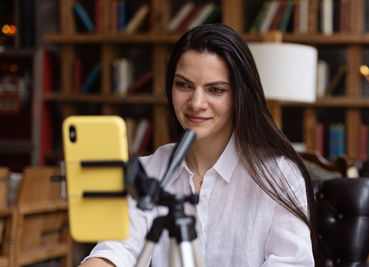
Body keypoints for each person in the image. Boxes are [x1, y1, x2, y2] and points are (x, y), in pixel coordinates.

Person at [81, 23, 317, 267]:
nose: (196, 103)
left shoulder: (279, 175)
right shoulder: (147, 172)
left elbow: (291, 263)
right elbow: (116, 249)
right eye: (184, 85)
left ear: (239, 96)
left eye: (215, 90)